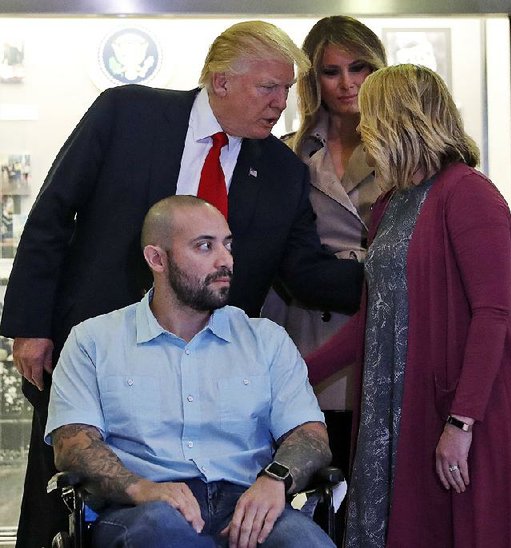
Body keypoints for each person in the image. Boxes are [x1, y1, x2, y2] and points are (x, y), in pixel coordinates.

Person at [0, 20, 362, 548]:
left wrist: (416, 281)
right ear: (220, 81)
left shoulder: (283, 172)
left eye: (286, 89)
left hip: (208, 374)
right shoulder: (126, 114)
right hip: (93, 354)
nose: (281, 103)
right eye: (268, 87)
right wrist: (30, 326)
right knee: (63, 495)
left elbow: (305, 270)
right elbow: (54, 214)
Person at [306, 65, 511, 547]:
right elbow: (373, 319)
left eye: (371, 115)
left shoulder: (468, 192)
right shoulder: (390, 203)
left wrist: (461, 423)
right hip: (398, 407)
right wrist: (293, 373)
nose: (363, 128)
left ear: (398, 119)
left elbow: (492, 315)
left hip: (464, 410)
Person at [46, 196, 334, 547]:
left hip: (246, 501)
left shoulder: (266, 340)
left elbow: (311, 434)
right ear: (157, 259)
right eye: (204, 246)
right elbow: (72, 445)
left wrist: (275, 479)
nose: (224, 260)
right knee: (162, 532)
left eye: (227, 245)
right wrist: (140, 488)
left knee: (306, 543)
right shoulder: (94, 341)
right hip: (142, 510)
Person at [262, 16, 386, 411]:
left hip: (383, 317)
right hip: (308, 321)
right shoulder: (284, 153)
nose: (347, 83)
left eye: (358, 68)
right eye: (332, 72)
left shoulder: (407, 153)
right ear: (314, 80)